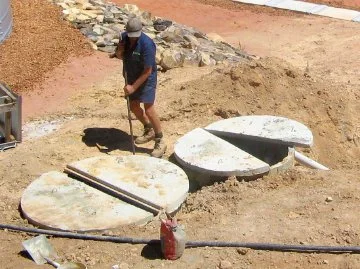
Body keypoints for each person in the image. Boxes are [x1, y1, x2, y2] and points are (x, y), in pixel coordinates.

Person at [110, 17, 167, 158]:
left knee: (148, 108)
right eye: (131, 36)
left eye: (135, 36)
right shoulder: (124, 38)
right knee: (134, 106)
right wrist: (120, 51)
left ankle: (160, 140)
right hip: (131, 76)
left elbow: (147, 70)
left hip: (146, 78)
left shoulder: (147, 44)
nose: (133, 39)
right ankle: (149, 129)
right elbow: (119, 56)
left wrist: (133, 88)